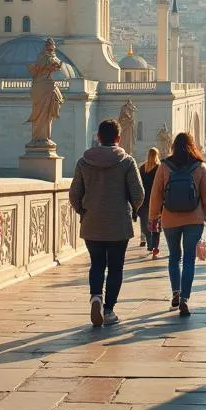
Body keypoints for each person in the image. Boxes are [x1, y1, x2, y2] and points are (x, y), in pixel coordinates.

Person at [69, 118, 144, 327]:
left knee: (97, 264)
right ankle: (109, 310)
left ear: (98, 137)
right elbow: (138, 194)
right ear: (118, 138)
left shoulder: (83, 162)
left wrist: (83, 211)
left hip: (92, 222)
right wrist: (132, 209)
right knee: (116, 267)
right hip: (119, 223)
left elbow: (74, 194)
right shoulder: (127, 161)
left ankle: (95, 297)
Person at [148, 131, 206, 317]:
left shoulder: (164, 166)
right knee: (188, 259)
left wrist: (153, 216)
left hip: (170, 219)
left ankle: (175, 292)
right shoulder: (200, 166)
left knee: (173, 257)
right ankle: (185, 298)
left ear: (173, 146)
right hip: (194, 219)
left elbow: (156, 194)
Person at [138, 147, 162, 257]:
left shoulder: (142, 168)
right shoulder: (159, 168)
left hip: (144, 201)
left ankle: (150, 243)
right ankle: (155, 246)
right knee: (156, 224)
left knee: (145, 224)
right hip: (156, 200)